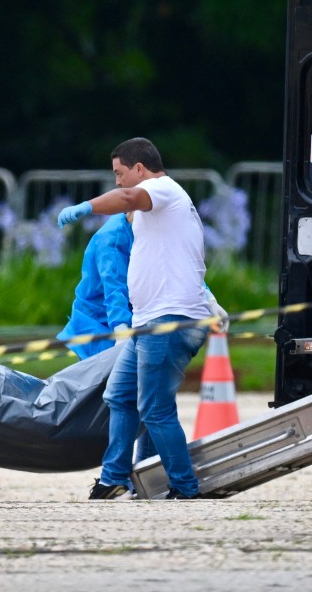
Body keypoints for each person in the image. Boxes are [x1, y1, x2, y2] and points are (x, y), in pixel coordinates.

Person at [58, 137, 226, 500]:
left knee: (155, 409)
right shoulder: (159, 212)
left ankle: (185, 486)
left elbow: (129, 198)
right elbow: (175, 257)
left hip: (167, 323)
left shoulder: (160, 188)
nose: (117, 182)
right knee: (119, 395)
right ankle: (113, 477)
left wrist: (86, 206)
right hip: (150, 323)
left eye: (120, 174)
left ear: (139, 168)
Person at [57, 212, 134, 360]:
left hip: (123, 323)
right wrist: (122, 331)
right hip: (100, 328)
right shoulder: (112, 237)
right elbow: (114, 288)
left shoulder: (133, 228)